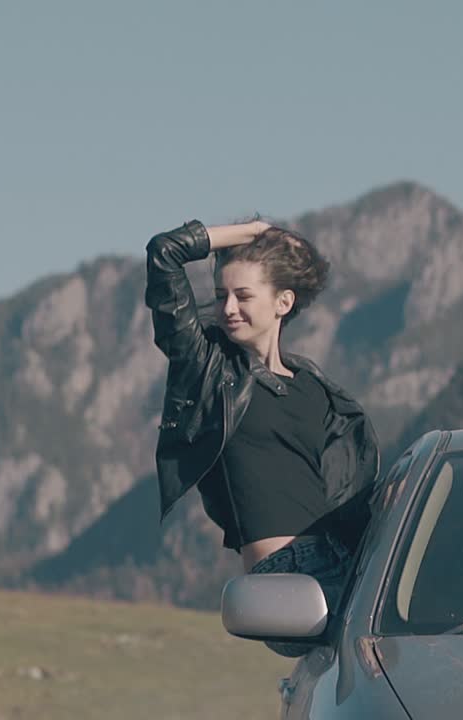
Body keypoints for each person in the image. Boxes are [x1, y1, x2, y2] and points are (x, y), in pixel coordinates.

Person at [144, 218, 380, 656]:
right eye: (220, 297)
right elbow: (164, 252)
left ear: (283, 302)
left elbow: (352, 495)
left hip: (349, 563)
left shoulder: (316, 387)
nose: (228, 308)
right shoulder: (209, 368)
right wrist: (251, 231)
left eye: (243, 295)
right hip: (283, 580)